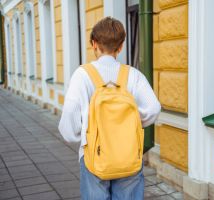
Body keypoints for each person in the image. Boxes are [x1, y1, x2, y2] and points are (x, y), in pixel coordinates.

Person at [58, 17, 161, 200]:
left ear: (94, 44)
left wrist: (81, 136)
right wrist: (132, 121)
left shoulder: (82, 75)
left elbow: (69, 118)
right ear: (120, 47)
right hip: (128, 152)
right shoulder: (133, 75)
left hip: (94, 155)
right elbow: (153, 108)